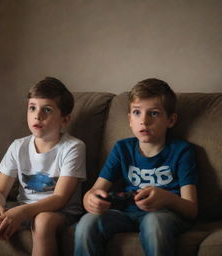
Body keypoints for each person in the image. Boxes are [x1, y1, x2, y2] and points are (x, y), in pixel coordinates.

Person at [74, 78, 198, 256]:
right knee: (88, 222)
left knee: (154, 222)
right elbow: (94, 191)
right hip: (126, 214)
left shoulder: (182, 151)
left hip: (165, 215)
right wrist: (91, 200)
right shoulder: (122, 149)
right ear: (130, 119)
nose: (144, 121)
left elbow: (191, 209)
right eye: (137, 113)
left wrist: (166, 198)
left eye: (153, 113)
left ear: (171, 120)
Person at [0, 77, 86, 256]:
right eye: (32, 108)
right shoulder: (18, 146)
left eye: (47, 109)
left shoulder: (73, 147)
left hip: (60, 213)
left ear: (65, 120)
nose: (37, 115)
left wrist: (20, 213)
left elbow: (60, 198)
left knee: (42, 221)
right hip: (21, 208)